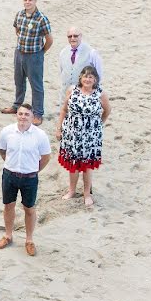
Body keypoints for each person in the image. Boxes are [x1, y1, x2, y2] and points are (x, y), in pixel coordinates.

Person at [0, 104, 52, 256]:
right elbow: (2, 150)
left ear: (33, 117)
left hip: (30, 177)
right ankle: (8, 235)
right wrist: (11, 164)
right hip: (9, 175)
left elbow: (46, 157)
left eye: (27, 114)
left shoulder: (40, 135)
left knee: (29, 208)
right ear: (16, 115)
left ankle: (29, 240)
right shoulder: (7, 131)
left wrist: (34, 169)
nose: (23, 117)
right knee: (8, 205)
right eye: (20, 114)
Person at [56, 66, 112, 207]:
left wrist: (98, 124)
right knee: (73, 165)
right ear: (81, 77)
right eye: (85, 76)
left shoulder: (100, 94)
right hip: (71, 134)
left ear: (95, 80)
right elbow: (64, 109)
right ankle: (72, 191)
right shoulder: (72, 90)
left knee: (87, 166)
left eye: (91, 77)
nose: (88, 79)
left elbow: (107, 110)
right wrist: (59, 128)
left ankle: (87, 194)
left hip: (91, 136)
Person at [1, 0, 52, 125]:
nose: (27, 2)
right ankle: (17, 105)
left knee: (36, 85)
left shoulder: (41, 19)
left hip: (34, 56)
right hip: (19, 53)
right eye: (26, 0)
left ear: (35, 2)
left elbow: (49, 39)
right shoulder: (20, 14)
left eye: (30, 0)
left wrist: (40, 53)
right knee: (19, 81)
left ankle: (38, 113)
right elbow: (17, 30)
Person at [58, 26, 104, 109]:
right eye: (70, 36)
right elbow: (62, 72)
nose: (72, 38)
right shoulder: (63, 53)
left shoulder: (91, 53)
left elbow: (99, 76)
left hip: (85, 97)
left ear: (81, 36)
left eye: (75, 36)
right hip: (66, 95)